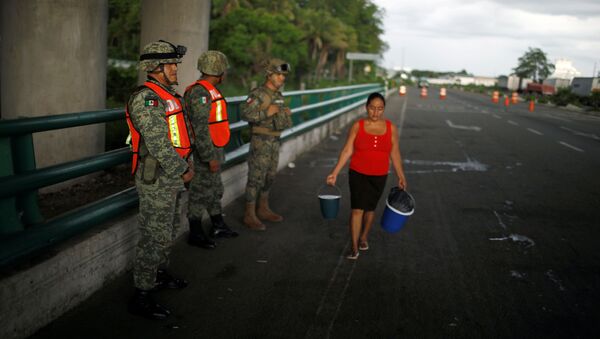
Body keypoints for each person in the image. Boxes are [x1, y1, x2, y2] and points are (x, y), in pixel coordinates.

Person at [125, 40, 194, 320]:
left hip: (171, 174)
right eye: (170, 65)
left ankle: (159, 274)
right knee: (153, 236)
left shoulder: (167, 94)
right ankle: (142, 294)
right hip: (158, 176)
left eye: (175, 64)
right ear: (155, 68)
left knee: (168, 228)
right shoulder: (147, 98)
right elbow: (157, 142)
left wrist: (184, 164)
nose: (175, 69)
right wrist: (182, 168)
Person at [326, 92, 407, 260]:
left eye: (380, 109)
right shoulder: (358, 126)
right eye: (372, 108)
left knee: (370, 210)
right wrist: (334, 172)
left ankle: (364, 236)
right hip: (357, 173)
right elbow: (347, 150)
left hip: (379, 175)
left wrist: (401, 175)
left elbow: (395, 152)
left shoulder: (391, 128)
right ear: (366, 107)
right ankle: (354, 247)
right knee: (357, 210)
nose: (375, 112)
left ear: (383, 109)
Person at [184, 50, 238, 249]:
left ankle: (218, 225)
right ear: (219, 72)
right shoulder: (200, 93)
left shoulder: (209, 90)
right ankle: (196, 233)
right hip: (204, 153)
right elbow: (200, 128)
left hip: (215, 149)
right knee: (199, 192)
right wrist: (209, 157)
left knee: (215, 190)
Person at [241, 58, 293, 231]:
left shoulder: (278, 95)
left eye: (283, 75)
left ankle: (263, 208)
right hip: (260, 142)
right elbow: (245, 114)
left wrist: (284, 113)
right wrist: (266, 112)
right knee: (255, 177)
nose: (282, 78)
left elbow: (277, 114)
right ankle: (249, 214)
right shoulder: (258, 94)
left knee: (270, 176)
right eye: (279, 75)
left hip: (274, 141)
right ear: (269, 75)